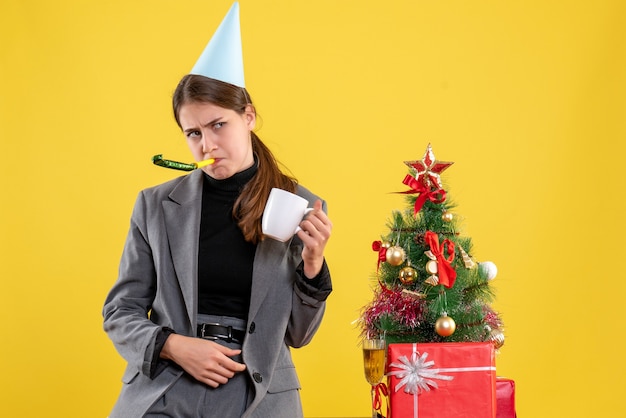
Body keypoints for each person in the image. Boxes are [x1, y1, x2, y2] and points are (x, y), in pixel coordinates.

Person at [102, 3, 332, 417]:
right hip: (166, 386)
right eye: (193, 133)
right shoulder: (155, 205)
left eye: (218, 125)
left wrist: (313, 264)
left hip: (258, 395)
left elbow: (298, 335)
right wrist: (173, 345)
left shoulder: (298, 204)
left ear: (248, 117)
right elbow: (120, 311)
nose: (206, 145)